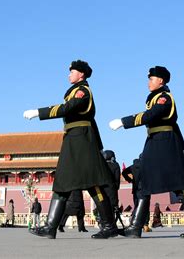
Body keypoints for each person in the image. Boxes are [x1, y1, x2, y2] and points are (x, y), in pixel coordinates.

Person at [23, 60, 117, 239]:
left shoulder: (83, 91)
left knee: (92, 183)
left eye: (72, 72)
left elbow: (68, 107)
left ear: (81, 74)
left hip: (82, 140)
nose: (69, 75)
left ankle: (108, 226)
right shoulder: (75, 90)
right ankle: (50, 227)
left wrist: (40, 112)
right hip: (73, 140)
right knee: (62, 182)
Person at [109, 66, 184, 238]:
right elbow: (173, 124)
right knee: (144, 183)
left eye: (152, 79)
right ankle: (135, 227)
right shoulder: (155, 98)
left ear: (161, 81)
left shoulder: (164, 98)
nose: (148, 82)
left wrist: (124, 121)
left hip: (166, 144)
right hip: (154, 142)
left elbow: (151, 115)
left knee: (178, 185)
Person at [103, 150, 123, 228]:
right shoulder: (115, 165)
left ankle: (104, 224)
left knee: (103, 206)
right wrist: (116, 187)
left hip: (103, 187)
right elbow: (117, 178)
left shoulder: (102, 164)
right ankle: (112, 224)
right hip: (112, 189)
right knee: (112, 207)